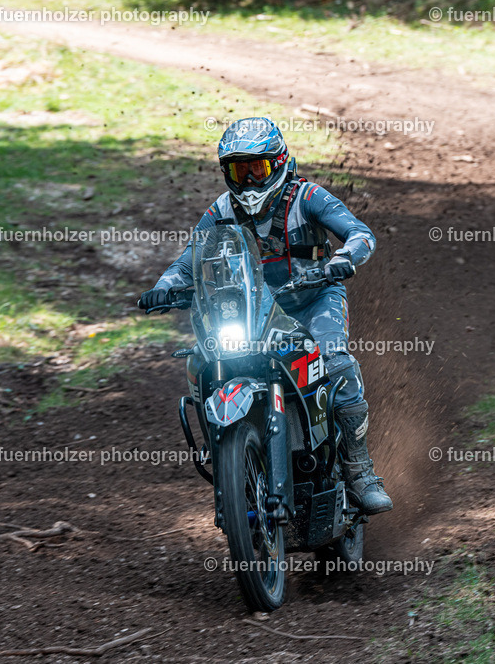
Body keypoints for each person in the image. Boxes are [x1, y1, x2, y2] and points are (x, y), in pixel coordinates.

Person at [138, 117, 392, 514]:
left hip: (313, 299)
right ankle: (227, 453)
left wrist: (343, 259)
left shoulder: (308, 197)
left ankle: (359, 469)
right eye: (241, 170)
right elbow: (188, 261)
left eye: (259, 169)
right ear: (228, 173)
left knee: (336, 362)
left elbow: (361, 233)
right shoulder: (221, 210)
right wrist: (163, 286)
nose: (251, 181)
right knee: (203, 359)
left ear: (280, 163)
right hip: (253, 308)